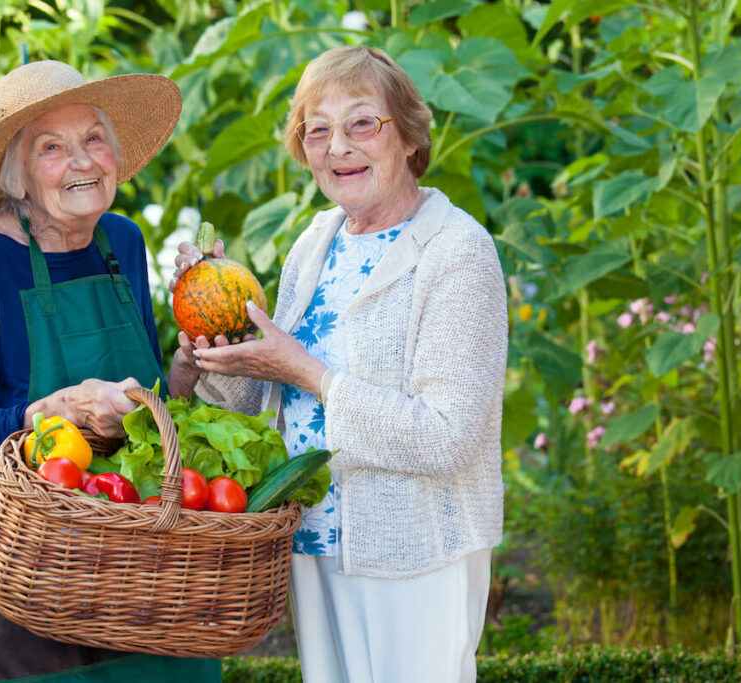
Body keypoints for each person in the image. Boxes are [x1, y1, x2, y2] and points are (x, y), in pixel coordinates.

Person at [171, 46, 507, 682]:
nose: (338, 146)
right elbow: (268, 402)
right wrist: (211, 343)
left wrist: (307, 371)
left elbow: (447, 438)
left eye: (361, 123)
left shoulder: (456, 251)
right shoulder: (315, 242)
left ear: (408, 135)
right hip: (313, 543)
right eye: (317, 130)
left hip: (413, 551)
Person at [0, 59, 218, 683]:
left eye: (94, 138)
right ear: (19, 175)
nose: (83, 162)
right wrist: (53, 412)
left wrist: (185, 375)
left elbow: (144, 420)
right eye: (52, 148)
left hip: (160, 573)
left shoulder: (122, 240)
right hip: (46, 579)